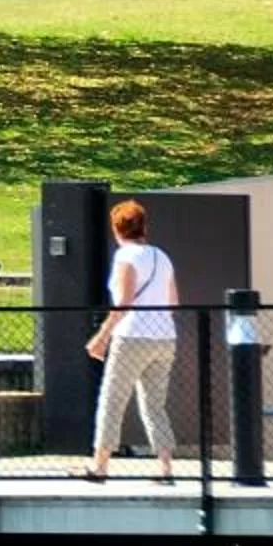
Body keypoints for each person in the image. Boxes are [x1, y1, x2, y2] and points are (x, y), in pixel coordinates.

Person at [83, 199, 180, 483]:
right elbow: (174, 302)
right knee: (154, 405)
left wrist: (101, 337)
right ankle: (165, 467)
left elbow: (124, 302)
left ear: (116, 230)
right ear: (144, 227)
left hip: (133, 336)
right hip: (165, 337)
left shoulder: (125, 258)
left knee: (112, 400)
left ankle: (100, 466)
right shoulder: (162, 257)